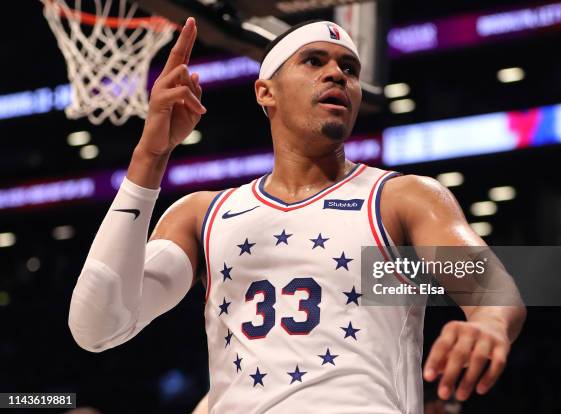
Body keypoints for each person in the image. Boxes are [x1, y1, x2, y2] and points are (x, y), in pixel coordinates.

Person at [68, 17, 526, 413]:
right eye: (314, 61)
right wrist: (150, 157)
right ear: (265, 92)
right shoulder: (203, 215)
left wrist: (488, 323)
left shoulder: (400, 198)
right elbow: (97, 326)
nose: (337, 75)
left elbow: (489, 288)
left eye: (349, 68)